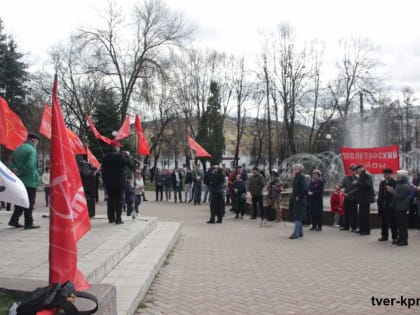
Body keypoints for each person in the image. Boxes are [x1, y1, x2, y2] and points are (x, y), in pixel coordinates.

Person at [8, 133, 41, 229]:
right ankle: (28, 222)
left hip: (19, 181)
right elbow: (30, 165)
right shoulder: (32, 150)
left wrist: (15, 171)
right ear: (33, 140)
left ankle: (13, 220)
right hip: (30, 180)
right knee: (30, 202)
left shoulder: (18, 149)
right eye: (37, 142)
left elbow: (11, 163)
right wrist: (21, 172)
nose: (37, 144)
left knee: (20, 201)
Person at [101, 140, 135, 224]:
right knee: (119, 201)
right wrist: (128, 156)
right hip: (119, 183)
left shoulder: (105, 157)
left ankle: (111, 218)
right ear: (116, 147)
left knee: (110, 201)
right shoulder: (120, 156)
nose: (120, 148)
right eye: (119, 146)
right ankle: (118, 219)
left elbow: (103, 170)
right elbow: (131, 165)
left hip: (109, 183)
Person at [387, 170, 410, 246]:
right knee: (399, 224)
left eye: (398, 175)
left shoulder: (405, 185)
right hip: (398, 206)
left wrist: (392, 191)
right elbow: (396, 197)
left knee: (402, 224)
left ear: (402, 176)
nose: (396, 176)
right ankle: (400, 238)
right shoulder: (398, 184)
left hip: (402, 207)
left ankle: (404, 240)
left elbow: (400, 197)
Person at [353, 165, 374, 235]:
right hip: (362, 198)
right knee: (362, 214)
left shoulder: (365, 175)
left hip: (365, 199)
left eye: (357, 170)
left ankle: (366, 230)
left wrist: (358, 183)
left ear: (360, 169)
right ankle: (362, 229)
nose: (356, 172)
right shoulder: (362, 175)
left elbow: (368, 185)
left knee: (365, 215)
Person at [377, 168, 397, 243]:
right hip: (383, 204)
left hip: (391, 204)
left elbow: (395, 194)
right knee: (384, 221)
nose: (385, 175)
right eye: (384, 174)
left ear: (390, 174)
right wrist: (379, 202)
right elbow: (380, 194)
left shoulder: (394, 182)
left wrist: (391, 191)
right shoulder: (382, 183)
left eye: (386, 174)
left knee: (393, 221)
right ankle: (384, 236)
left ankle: (395, 237)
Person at [289, 164, 308, 239]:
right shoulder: (296, 177)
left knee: (298, 216)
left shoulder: (302, 177)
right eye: (294, 168)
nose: (294, 169)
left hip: (300, 200)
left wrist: (298, 196)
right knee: (298, 216)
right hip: (296, 199)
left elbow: (305, 189)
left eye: (296, 168)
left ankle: (295, 233)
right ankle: (300, 232)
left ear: (300, 169)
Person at [339, 164, 359, 232]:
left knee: (354, 213)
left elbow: (357, 188)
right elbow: (342, 185)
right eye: (351, 170)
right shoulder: (346, 178)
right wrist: (339, 186)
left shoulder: (357, 178)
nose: (352, 171)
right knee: (346, 212)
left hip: (354, 198)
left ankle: (354, 227)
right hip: (347, 198)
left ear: (356, 171)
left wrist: (349, 193)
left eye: (353, 170)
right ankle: (346, 226)